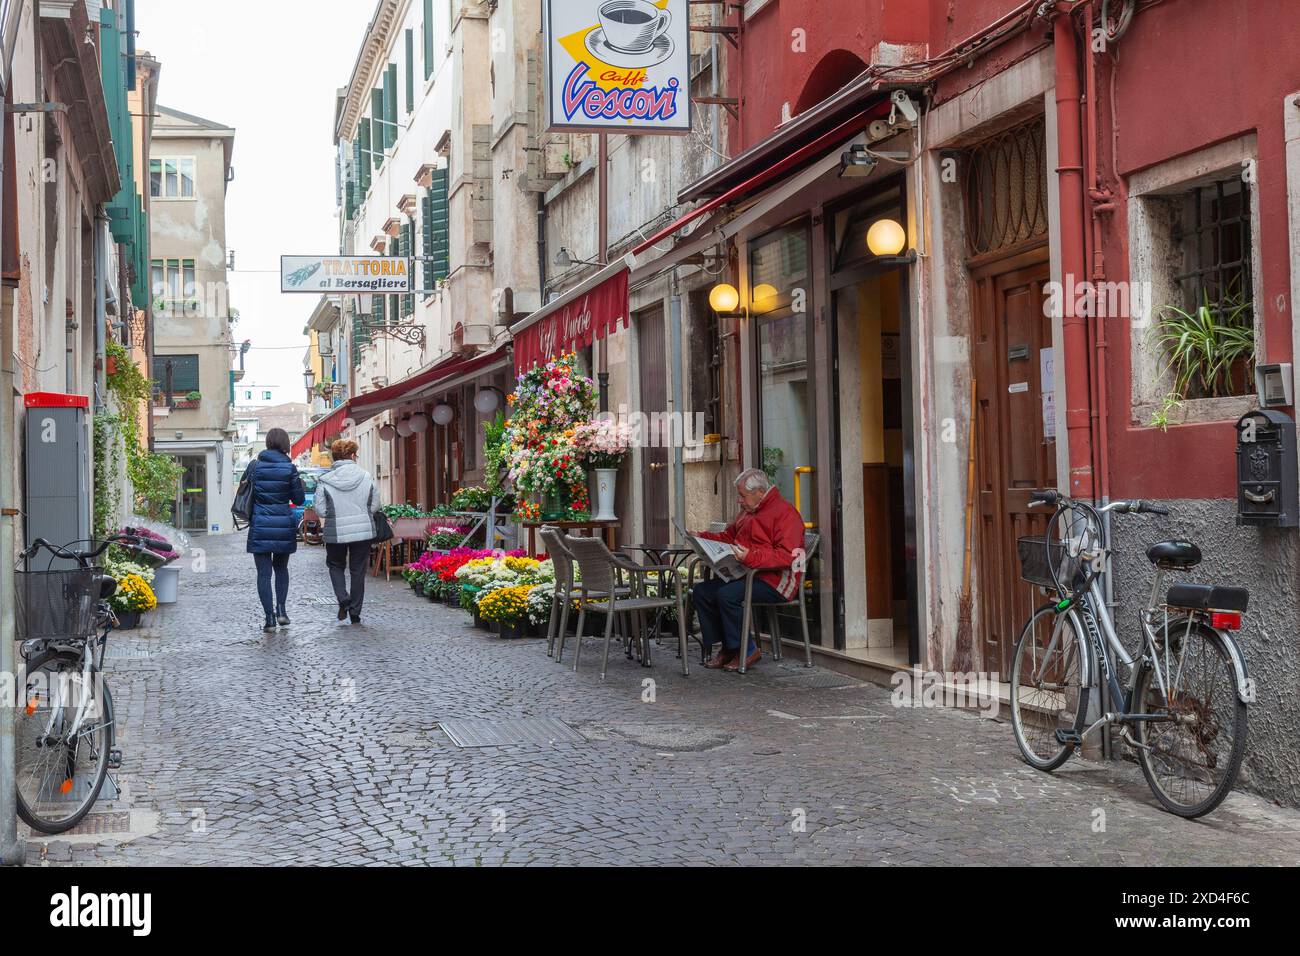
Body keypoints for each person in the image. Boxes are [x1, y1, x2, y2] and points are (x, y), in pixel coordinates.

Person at [691, 467, 806, 671]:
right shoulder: (748, 512)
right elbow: (729, 536)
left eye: (742, 496)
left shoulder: (786, 513)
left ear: (759, 493)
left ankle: (746, 649)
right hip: (749, 574)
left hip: (777, 581)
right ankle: (728, 648)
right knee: (703, 592)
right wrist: (700, 537)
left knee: (727, 595)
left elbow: (787, 555)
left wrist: (749, 557)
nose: (739, 501)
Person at [244, 427, 306, 632]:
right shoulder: (290, 469)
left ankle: (269, 618)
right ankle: (282, 611)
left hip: (260, 525)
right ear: (286, 444)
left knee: (263, 574)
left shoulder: (255, 466)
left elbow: (245, 493)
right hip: (282, 526)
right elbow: (298, 500)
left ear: (268, 442)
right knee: (281, 569)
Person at [314, 438, 380, 624]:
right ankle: (355, 612)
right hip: (363, 530)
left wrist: (334, 514)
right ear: (352, 455)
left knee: (335, 566)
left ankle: (343, 598)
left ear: (334, 457)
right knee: (358, 570)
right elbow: (375, 505)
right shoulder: (366, 477)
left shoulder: (325, 480)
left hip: (336, 530)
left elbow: (320, 509)